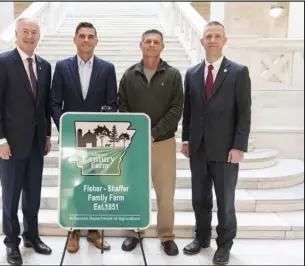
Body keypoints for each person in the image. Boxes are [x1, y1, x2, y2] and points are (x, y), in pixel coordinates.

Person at [181, 21, 251, 265]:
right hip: (198, 148)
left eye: (217, 36)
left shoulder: (238, 72)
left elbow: (244, 113)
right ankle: (201, 238)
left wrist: (239, 146)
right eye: (208, 36)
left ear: (224, 40)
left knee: (225, 202)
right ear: (202, 41)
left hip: (225, 150)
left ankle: (224, 245)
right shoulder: (191, 73)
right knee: (200, 198)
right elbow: (188, 111)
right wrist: (186, 140)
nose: (212, 40)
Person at [0, 17, 52, 265]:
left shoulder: (45, 66)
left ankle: (31, 236)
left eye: (34, 32)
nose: (29, 36)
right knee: (11, 196)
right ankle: (11, 243)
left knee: (33, 196)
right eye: (25, 31)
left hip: (36, 144)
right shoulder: (2, 62)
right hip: (10, 145)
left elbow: (44, 106)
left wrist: (46, 135)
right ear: (16, 33)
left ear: (39, 36)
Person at [50, 22, 117, 253]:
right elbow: (55, 103)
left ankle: (94, 231)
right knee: (73, 184)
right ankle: (74, 230)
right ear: (75, 39)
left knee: (96, 184)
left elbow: (112, 104)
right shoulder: (61, 67)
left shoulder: (107, 68)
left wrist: (100, 130)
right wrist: (66, 128)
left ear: (96, 40)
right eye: (82, 36)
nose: (86, 40)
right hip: (71, 140)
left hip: (98, 142)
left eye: (90, 36)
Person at [118, 29, 183, 256]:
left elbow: (176, 110)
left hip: (163, 143)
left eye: (156, 42)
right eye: (148, 41)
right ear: (141, 45)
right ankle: (135, 232)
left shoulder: (173, 75)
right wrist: (137, 133)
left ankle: (166, 235)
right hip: (135, 143)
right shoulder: (129, 75)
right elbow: (122, 107)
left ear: (162, 47)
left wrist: (153, 133)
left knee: (165, 193)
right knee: (135, 189)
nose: (152, 45)